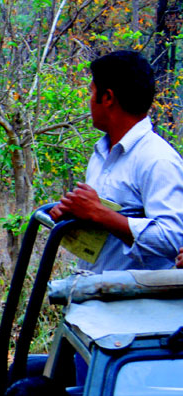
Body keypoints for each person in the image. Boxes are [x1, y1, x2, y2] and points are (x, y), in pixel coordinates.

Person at [49, 50, 183, 272]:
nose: (89, 101)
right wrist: (76, 215)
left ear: (108, 98)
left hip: (136, 303)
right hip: (95, 294)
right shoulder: (101, 153)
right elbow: (104, 227)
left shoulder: (158, 160)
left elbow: (174, 239)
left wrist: (101, 214)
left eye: (92, 93)